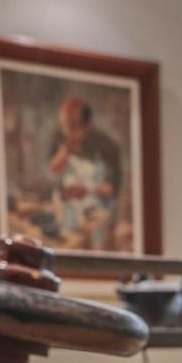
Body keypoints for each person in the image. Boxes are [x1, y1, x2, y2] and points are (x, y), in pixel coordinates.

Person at [46, 96, 123, 249]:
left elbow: (111, 190)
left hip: (97, 213)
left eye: (73, 127)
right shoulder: (61, 141)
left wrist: (87, 191)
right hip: (69, 214)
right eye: (64, 126)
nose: (67, 132)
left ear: (87, 125)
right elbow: (52, 170)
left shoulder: (106, 148)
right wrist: (63, 154)